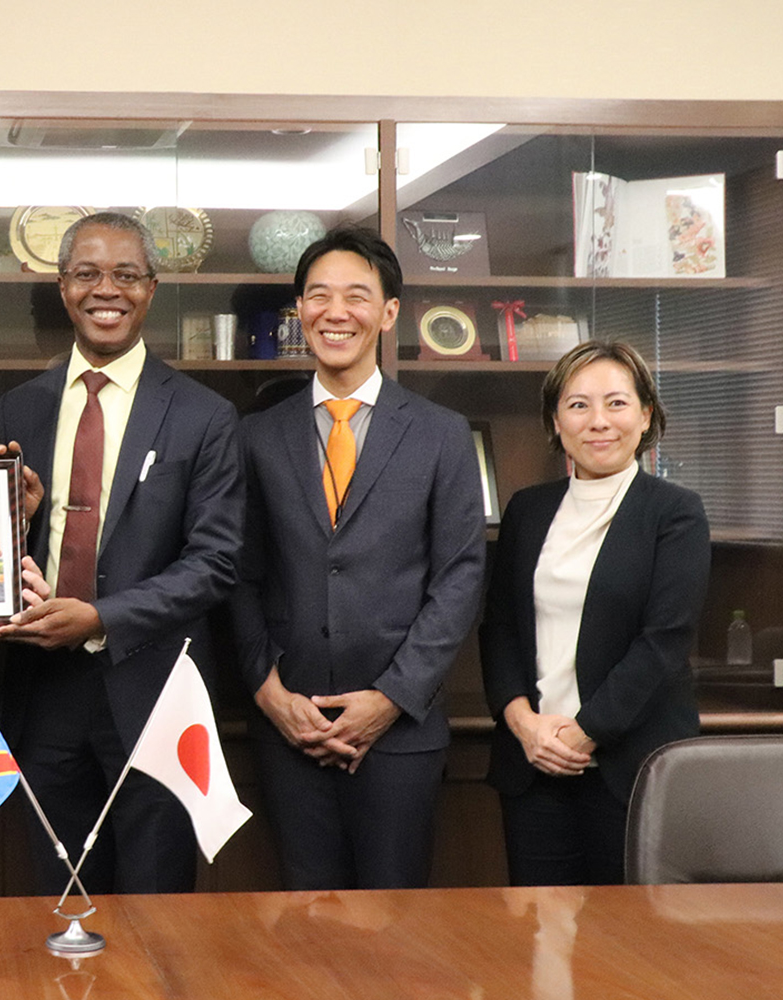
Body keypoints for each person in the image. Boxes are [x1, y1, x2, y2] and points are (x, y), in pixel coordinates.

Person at [0, 213, 243, 894]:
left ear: (151, 289)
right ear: (63, 287)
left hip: (152, 691)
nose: (108, 289)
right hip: (41, 692)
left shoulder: (203, 416)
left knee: (157, 907)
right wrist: (20, 523)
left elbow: (214, 561)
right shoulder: (17, 408)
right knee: (60, 893)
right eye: (88, 273)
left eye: (126, 274)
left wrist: (102, 617)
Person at [235, 227, 486, 890]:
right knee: (303, 924)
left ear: (389, 312)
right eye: (318, 296)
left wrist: (389, 698)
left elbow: (460, 579)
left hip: (399, 734)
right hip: (291, 728)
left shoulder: (441, 433)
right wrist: (270, 694)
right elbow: (238, 575)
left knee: (395, 928)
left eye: (356, 295)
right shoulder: (257, 434)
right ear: (300, 311)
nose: (335, 311)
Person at [481, 340, 708, 886]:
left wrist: (581, 735)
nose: (598, 421)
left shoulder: (675, 512)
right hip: (533, 766)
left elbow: (663, 643)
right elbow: (500, 629)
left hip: (629, 768)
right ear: (556, 421)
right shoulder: (528, 510)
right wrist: (526, 728)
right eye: (579, 405)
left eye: (616, 403)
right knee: (540, 939)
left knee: (628, 950)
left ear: (646, 414)